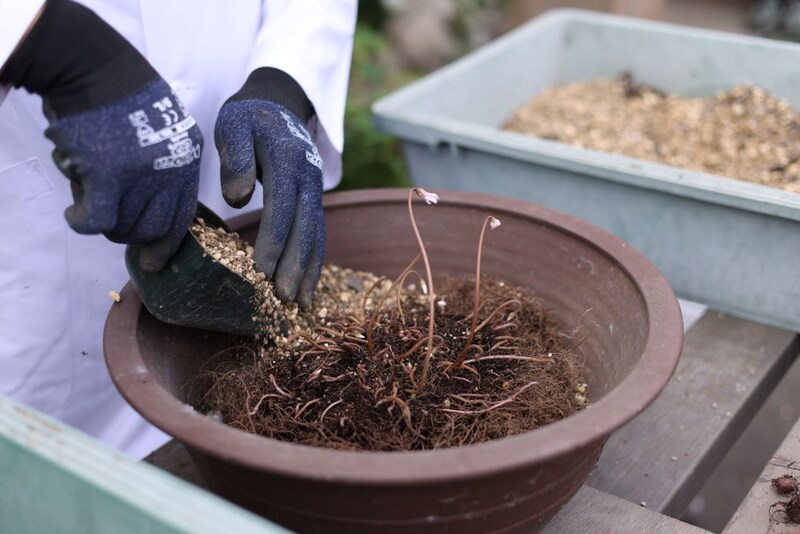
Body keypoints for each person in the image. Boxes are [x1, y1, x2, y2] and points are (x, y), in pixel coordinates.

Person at [0, 0, 357, 458]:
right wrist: (47, 42)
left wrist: (285, 77)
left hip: (228, 71)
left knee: (226, 395)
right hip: (28, 167)